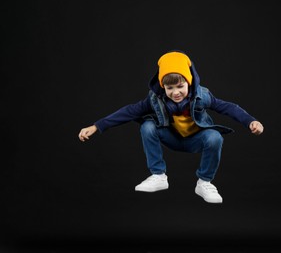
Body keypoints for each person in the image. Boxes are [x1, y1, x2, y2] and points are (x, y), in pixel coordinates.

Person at [78, 50, 264, 203]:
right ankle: (158, 176)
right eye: (170, 88)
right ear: (163, 87)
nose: (176, 93)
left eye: (180, 86)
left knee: (215, 137)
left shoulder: (202, 95)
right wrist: (97, 126)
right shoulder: (155, 99)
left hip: (195, 140)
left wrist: (250, 121)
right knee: (147, 126)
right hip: (172, 138)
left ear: (189, 81)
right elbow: (128, 112)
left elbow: (228, 107)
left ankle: (204, 182)